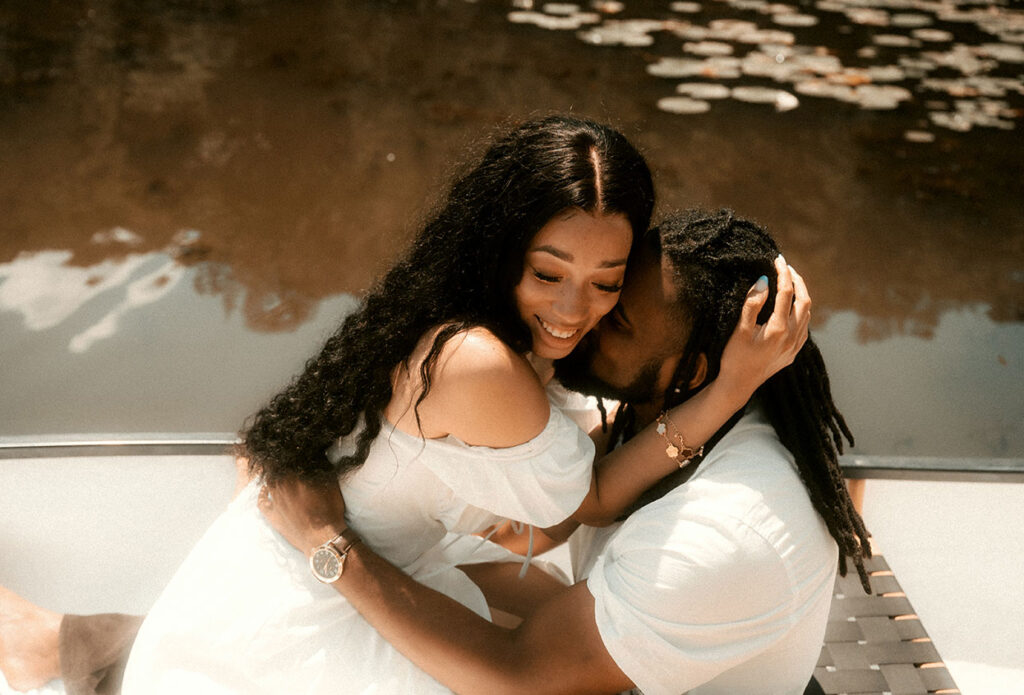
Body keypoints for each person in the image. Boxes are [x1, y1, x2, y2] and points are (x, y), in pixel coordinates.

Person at [0, 116, 800, 695]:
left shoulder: (454, 311)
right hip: (309, 610)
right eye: (548, 273)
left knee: (554, 622)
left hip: (296, 563)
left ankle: (59, 644)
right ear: (503, 250)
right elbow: (576, 507)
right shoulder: (484, 364)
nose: (575, 311)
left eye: (607, 281)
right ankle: (58, 648)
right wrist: (727, 388)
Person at [259, 208, 872, 695]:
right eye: (608, 288)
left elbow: (516, 677)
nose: (582, 317)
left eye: (617, 320)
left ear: (694, 373)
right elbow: (563, 511)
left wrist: (330, 547)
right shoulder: (677, 404)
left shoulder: (725, 531)